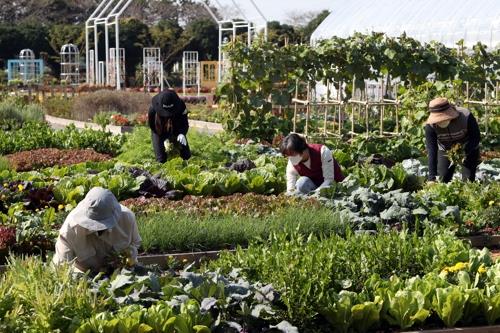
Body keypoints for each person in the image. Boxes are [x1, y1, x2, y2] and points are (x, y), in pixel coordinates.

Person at [52, 187, 142, 274]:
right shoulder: (70, 229)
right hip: (86, 275)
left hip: (122, 273)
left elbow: (135, 242)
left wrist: (126, 256)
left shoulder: (127, 218)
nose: (99, 229)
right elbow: (61, 266)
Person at [425, 97, 481, 183]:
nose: (441, 121)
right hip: (445, 149)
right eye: (438, 120)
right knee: (443, 179)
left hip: (468, 147)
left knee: (468, 180)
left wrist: (463, 151)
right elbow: (432, 149)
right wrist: (431, 178)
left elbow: (476, 137)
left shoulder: (465, 116)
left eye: (444, 118)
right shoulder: (430, 126)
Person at [280, 133, 344, 194]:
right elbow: (290, 189)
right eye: (287, 155)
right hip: (313, 187)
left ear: (301, 149)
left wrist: (315, 195)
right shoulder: (291, 163)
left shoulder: (322, 151)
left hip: (334, 186)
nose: (290, 158)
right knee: (301, 183)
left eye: (292, 154)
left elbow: (329, 180)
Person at [148, 89, 191, 163]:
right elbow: (152, 125)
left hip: (176, 127)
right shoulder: (153, 108)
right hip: (159, 129)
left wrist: (182, 133)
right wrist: (162, 137)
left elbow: (184, 122)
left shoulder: (181, 106)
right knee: (161, 159)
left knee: (186, 155)